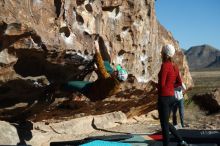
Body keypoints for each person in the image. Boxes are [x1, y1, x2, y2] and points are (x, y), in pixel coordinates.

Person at [63, 37, 128, 101]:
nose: (116, 70)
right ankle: (105, 59)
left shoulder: (109, 80)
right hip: (99, 86)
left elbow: (102, 69)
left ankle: (60, 89)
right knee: (107, 66)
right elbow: (104, 77)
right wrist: (97, 70)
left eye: (117, 72)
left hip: (91, 91)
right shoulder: (116, 82)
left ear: (116, 77)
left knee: (69, 83)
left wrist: (97, 51)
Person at [157, 44, 188, 146]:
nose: (161, 53)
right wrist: (170, 86)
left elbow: (161, 85)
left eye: (162, 52)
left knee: (164, 125)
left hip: (164, 98)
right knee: (165, 122)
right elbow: (179, 83)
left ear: (164, 54)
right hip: (172, 97)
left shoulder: (165, 65)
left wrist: (154, 85)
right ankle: (181, 141)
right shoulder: (175, 66)